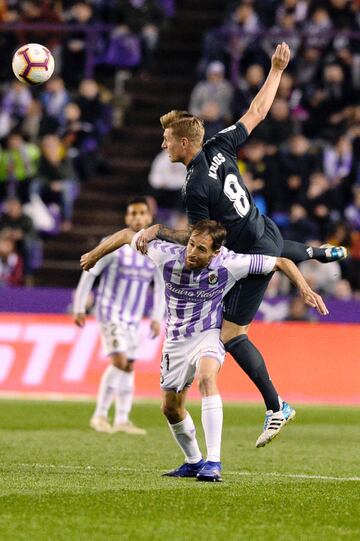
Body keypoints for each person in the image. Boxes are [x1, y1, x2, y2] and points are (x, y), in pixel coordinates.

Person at [79, 43, 345, 448]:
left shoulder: (194, 186)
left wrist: (156, 231)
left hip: (252, 246)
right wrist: (275, 71)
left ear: (185, 143)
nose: (164, 145)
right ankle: (313, 251)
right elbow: (256, 112)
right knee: (271, 253)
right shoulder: (220, 143)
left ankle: (277, 407)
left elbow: (197, 239)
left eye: (168, 140)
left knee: (232, 334)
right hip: (264, 228)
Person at [80, 219, 328, 481]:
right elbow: (126, 235)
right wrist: (95, 256)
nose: (192, 253)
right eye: (191, 244)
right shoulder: (166, 254)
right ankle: (193, 461)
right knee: (170, 408)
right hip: (175, 341)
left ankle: (213, 462)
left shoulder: (230, 262)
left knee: (207, 376)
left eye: (201, 249)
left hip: (208, 334)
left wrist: (304, 289)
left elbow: (281, 261)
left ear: (215, 252)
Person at [73, 197, 165, 435]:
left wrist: (157, 317)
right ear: (126, 218)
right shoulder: (112, 245)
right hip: (110, 312)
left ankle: (122, 419)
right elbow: (89, 273)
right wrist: (79, 306)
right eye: (132, 213)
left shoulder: (154, 248)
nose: (136, 217)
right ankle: (100, 415)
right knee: (119, 361)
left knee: (129, 365)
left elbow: (160, 285)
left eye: (141, 213)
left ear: (149, 217)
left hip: (135, 318)